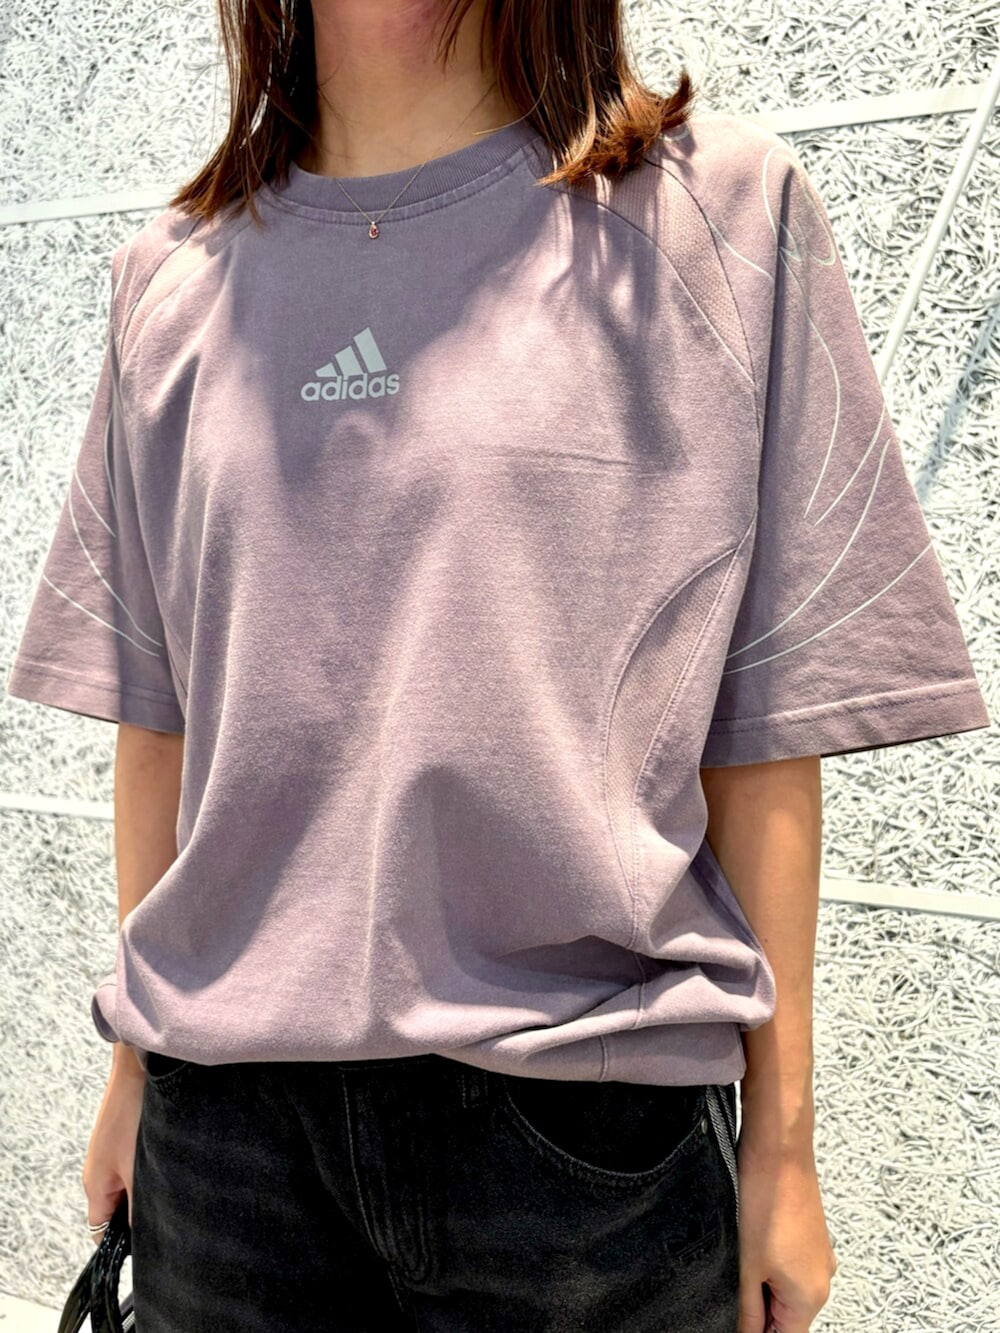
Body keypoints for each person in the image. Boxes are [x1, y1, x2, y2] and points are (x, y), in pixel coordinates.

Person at [6, 0, 990, 1330]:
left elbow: (763, 726)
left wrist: (783, 1144)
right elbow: (163, 724)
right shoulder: (167, 282)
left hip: (586, 1148)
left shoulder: (719, 218)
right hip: (225, 1148)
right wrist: (132, 1068)